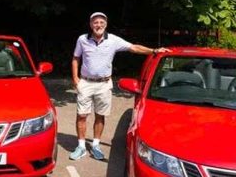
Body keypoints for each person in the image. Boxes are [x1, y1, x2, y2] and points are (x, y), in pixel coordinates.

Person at [69, 12, 169, 161]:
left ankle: (95, 145)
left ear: (106, 24)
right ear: (91, 25)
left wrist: (154, 51)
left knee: (100, 115)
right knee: (81, 115)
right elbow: (76, 59)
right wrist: (76, 79)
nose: (99, 25)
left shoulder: (113, 40)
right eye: (95, 22)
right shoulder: (82, 39)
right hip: (86, 83)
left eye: (101, 22)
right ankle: (81, 146)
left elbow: (133, 48)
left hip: (104, 84)